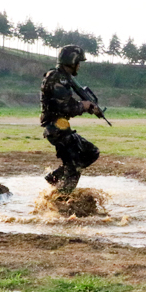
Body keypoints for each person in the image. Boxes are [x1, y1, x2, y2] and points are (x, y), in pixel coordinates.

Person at [40, 45, 102, 194]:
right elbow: (65, 107)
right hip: (56, 128)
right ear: (72, 61)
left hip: (62, 128)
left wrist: (88, 106)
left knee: (91, 152)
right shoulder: (55, 78)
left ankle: (54, 178)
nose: (79, 66)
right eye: (78, 62)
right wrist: (84, 105)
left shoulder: (64, 78)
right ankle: (62, 199)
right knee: (74, 166)